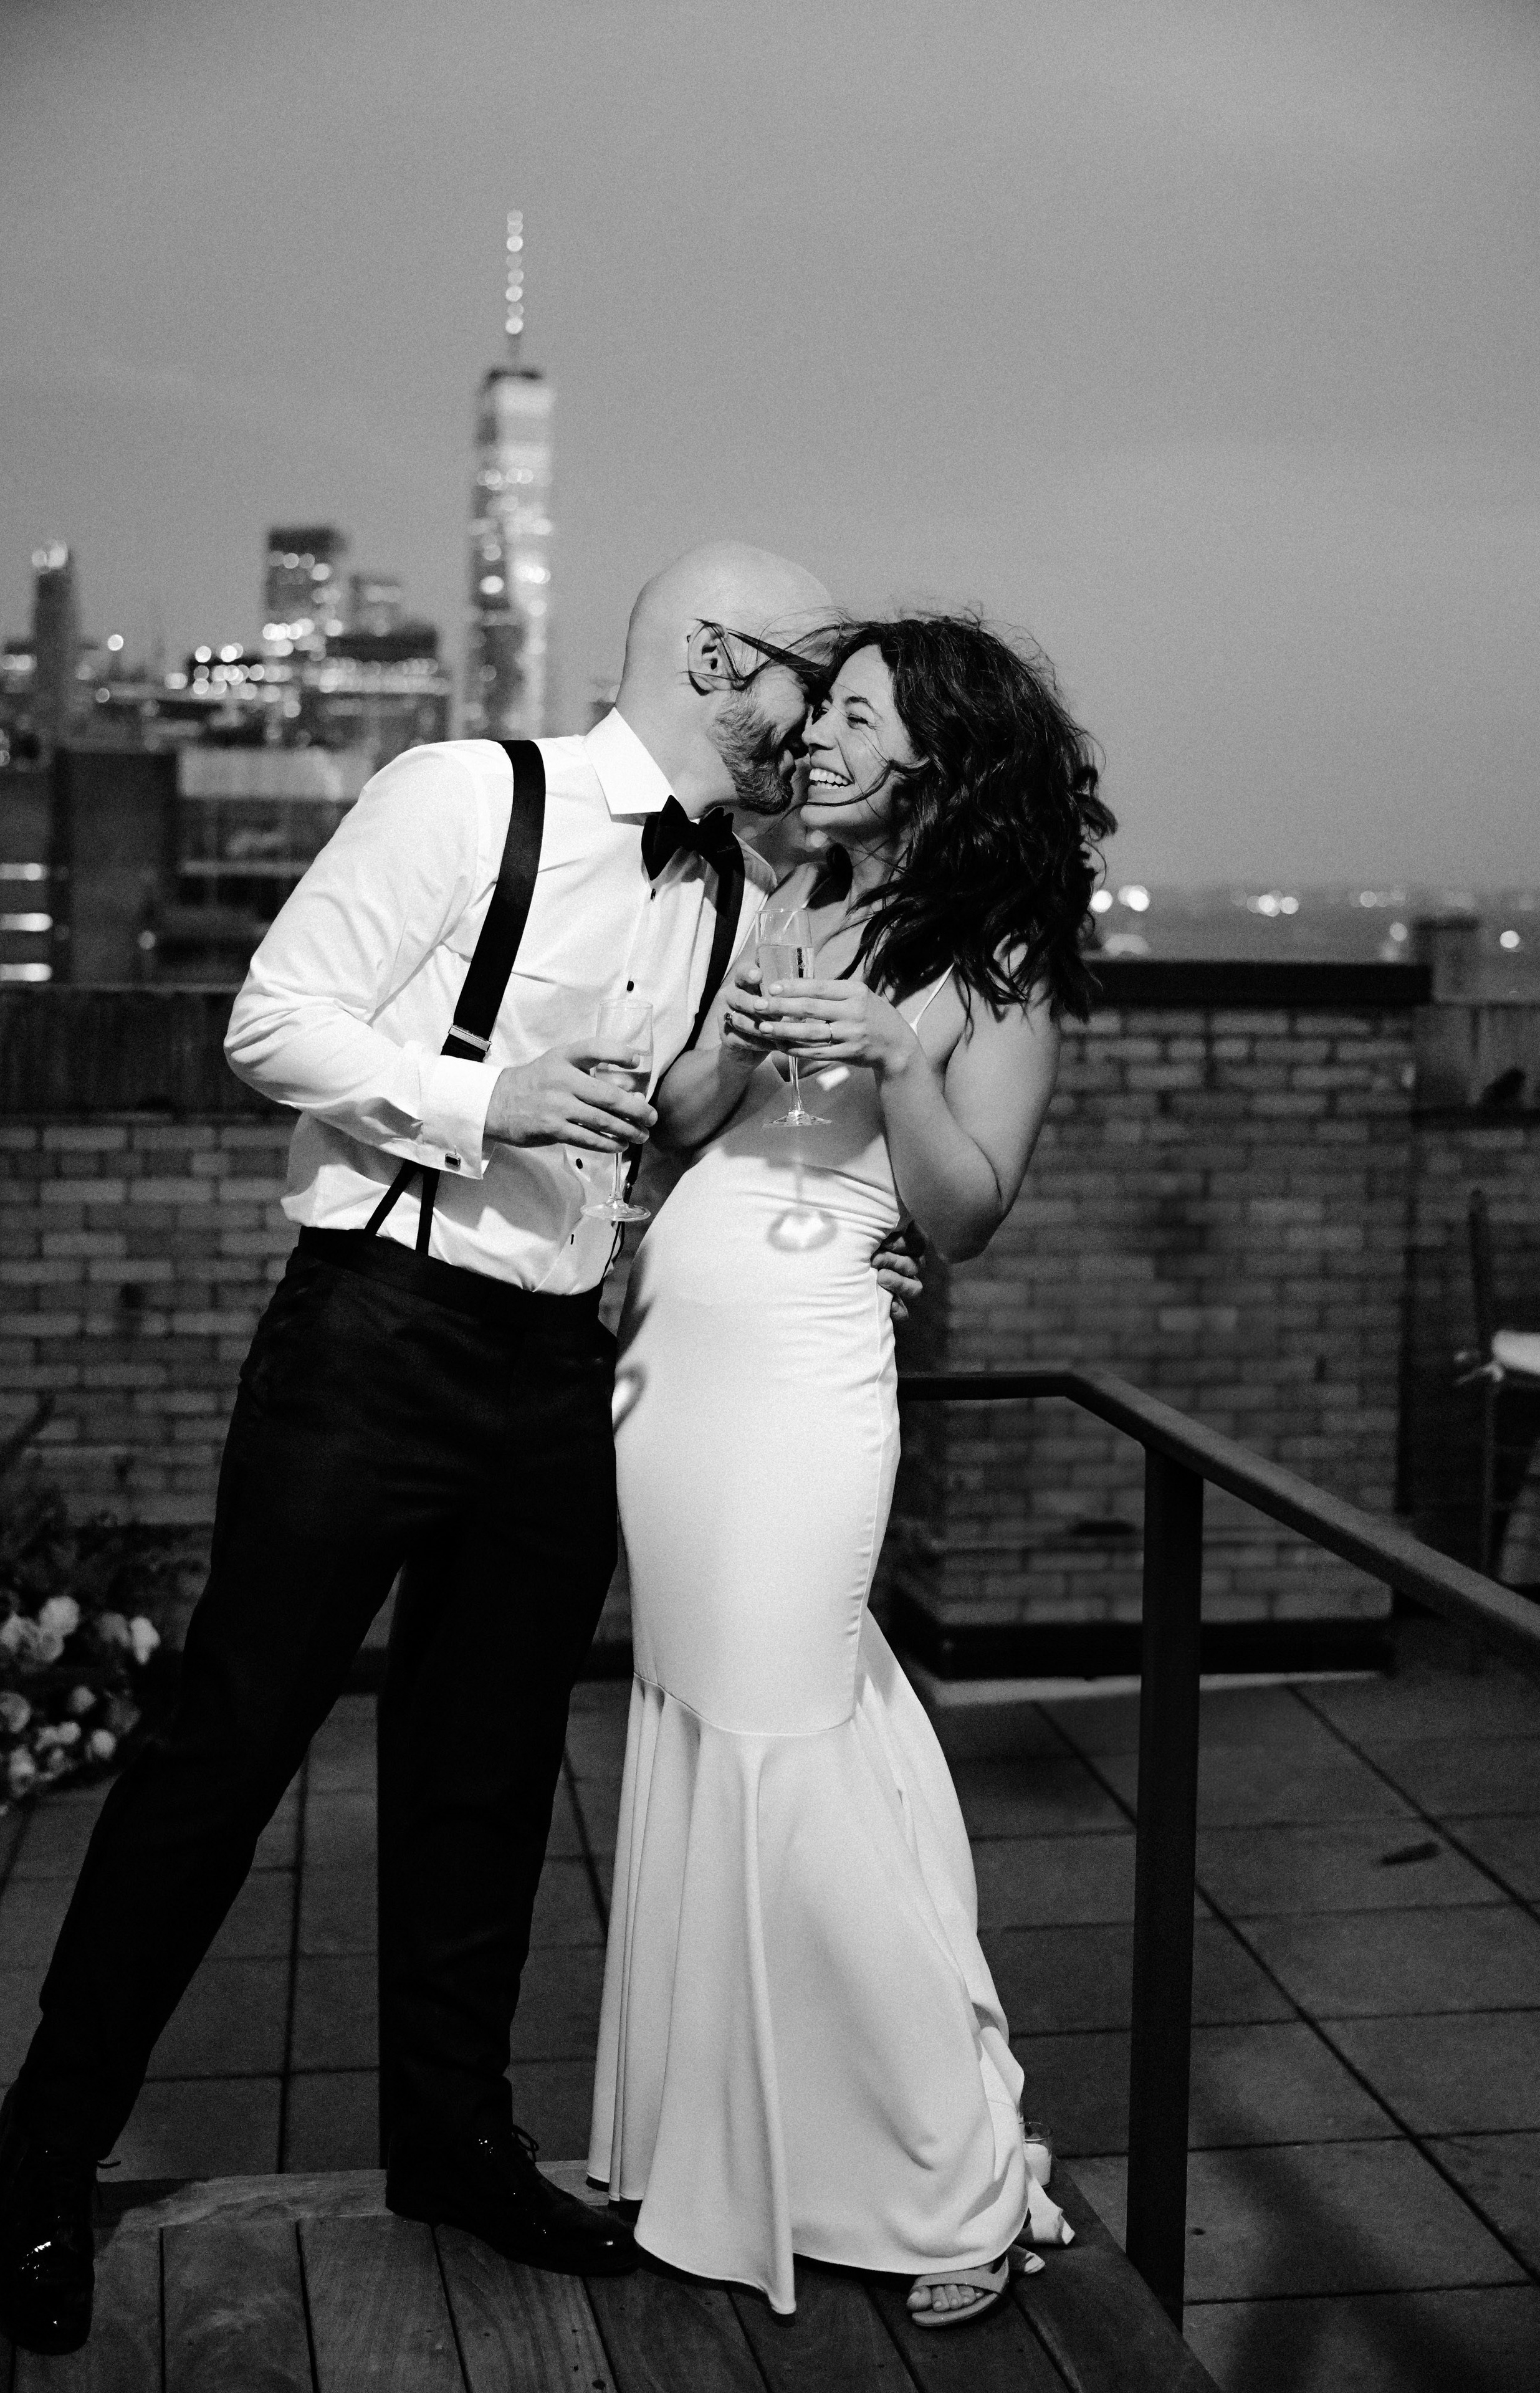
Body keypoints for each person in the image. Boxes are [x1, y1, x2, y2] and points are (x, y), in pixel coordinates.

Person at [0, 542, 924, 2357]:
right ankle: (41, 2171)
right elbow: (270, 1019)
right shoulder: (467, 794)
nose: (813, 719)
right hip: (373, 1340)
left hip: (555, 1371)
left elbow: (691, 1119)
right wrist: (480, 1099)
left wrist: (833, 1194)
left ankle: (453, 2146)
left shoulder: (726, 883)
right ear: (726, 659)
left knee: (489, 1779)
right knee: (222, 1757)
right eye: (809, 675)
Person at [590, 613, 1114, 2325]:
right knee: (729, 1729)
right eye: (817, 717)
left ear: (937, 759)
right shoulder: (770, 887)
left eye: (852, 718)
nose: (813, 741)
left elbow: (966, 1214)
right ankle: (738, 2154)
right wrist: (736, 1046)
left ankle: (947, 2185)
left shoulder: (1004, 960)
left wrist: (893, 1061)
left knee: (791, 1751)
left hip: (814, 1367)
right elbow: (681, 1124)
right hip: (675, 1374)